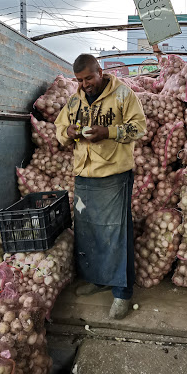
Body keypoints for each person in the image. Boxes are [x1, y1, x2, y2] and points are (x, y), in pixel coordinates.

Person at [55, 54, 146, 319]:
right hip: (84, 176)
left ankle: (122, 292)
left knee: (117, 233)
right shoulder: (75, 100)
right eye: (80, 80)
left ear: (100, 71)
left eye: (89, 78)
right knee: (88, 231)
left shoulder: (123, 95)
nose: (85, 84)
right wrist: (68, 133)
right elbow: (60, 128)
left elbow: (139, 128)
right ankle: (98, 279)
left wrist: (109, 132)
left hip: (114, 176)